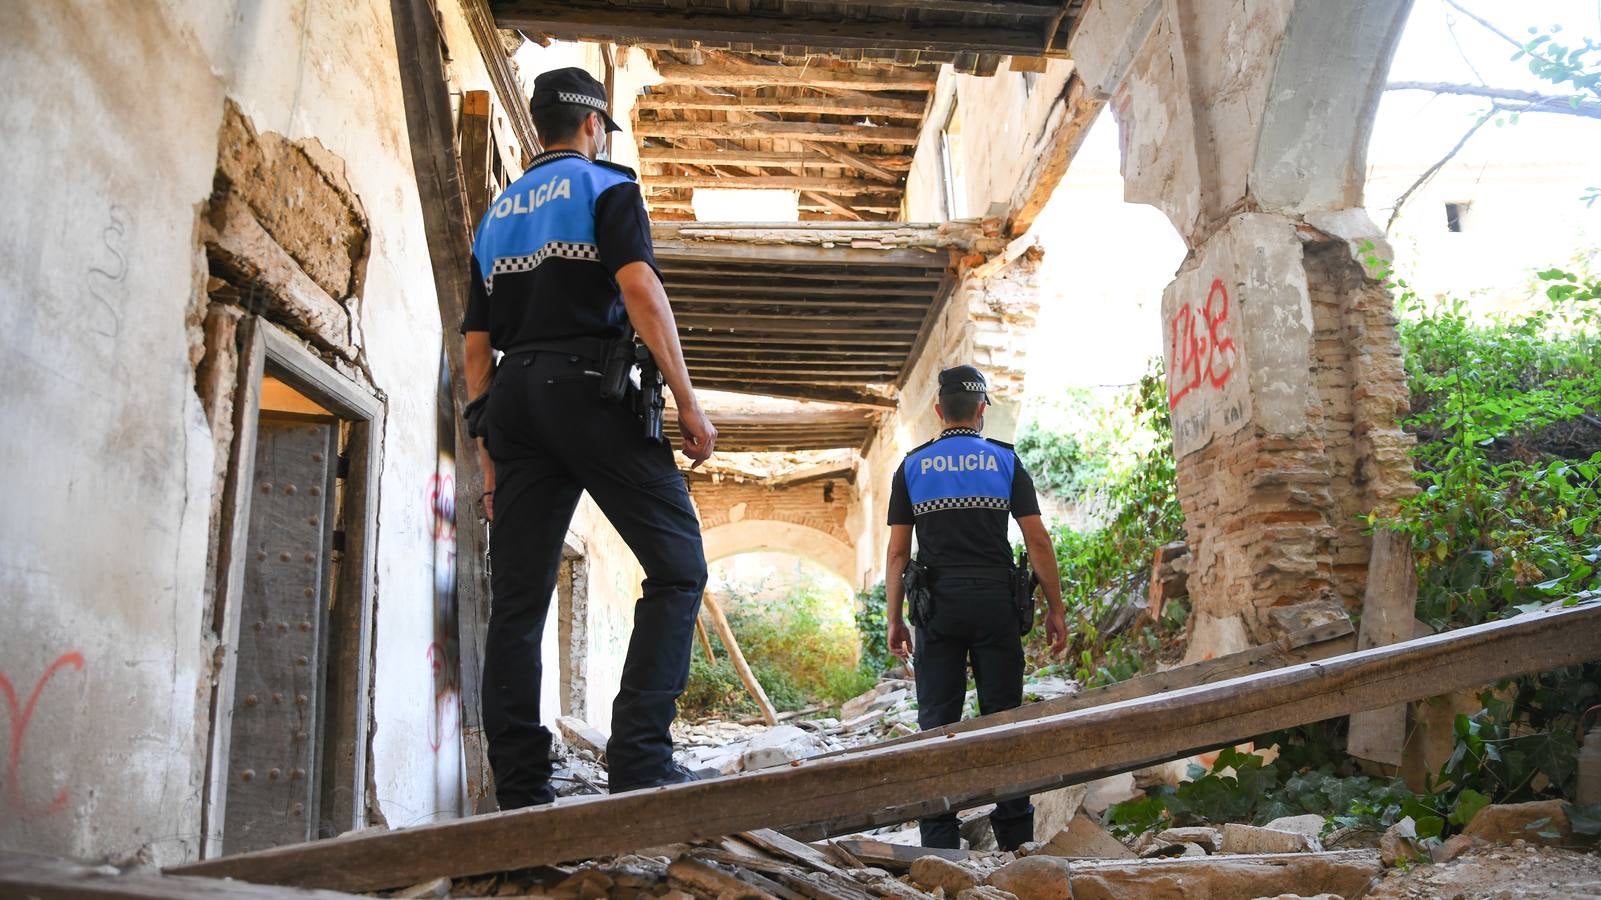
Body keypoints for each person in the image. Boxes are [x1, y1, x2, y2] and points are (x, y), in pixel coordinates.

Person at [461, 67, 717, 809]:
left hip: (514, 399)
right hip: (588, 388)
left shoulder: (495, 215)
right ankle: (639, 757)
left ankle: (520, 790)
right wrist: (688, 402)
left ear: (538, 123)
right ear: (593, 125)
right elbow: (638, 288)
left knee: (517, 599)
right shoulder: (607, 187)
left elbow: (477, 348)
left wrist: (489, 457)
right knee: (677, 567)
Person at [884, 365, 1068, 850]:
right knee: (1004, 719)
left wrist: (895, 618)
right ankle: (1015, 839)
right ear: (982, 410)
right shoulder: (1005, 462)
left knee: (936, 724)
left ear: (940, 410)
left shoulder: (912, 466)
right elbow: (1037, 541)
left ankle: (940, 842)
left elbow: (898, 553)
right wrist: (1056, 609)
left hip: (937, 608)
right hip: (995, 605)